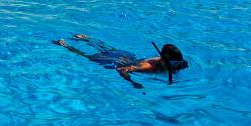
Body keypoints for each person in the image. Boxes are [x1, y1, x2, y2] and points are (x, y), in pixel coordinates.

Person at [53, 35, 188, 89]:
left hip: (127, 56)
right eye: (173, 64)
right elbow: (122, 70)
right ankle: (65, 45)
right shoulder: (147, 67)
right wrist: (132, 82)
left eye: (176, 64)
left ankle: (87, 39)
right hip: (118, 61)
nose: (175, 66)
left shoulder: (174, 61)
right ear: (164, 60)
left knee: (107, 48)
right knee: (87, 56)